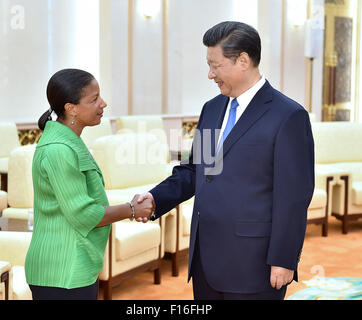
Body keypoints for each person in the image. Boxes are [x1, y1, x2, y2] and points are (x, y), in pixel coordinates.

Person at [137, 21, 315, 300]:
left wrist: (283, 258)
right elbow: (195, 170)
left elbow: (293, 196)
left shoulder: (288, 115)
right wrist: (154, 198)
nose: (210, 75)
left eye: (215, 65)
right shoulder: (212, 108)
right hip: (205, 260)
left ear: (243, 60)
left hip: (254, 265)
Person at [24, 69, 153, 300]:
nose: (103, 103)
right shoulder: (58, 149)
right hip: (62, 271)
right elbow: (83, 214)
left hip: (74, 267)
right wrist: (131, 209)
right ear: (70, 108)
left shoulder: (69, 142)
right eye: (94, 99)